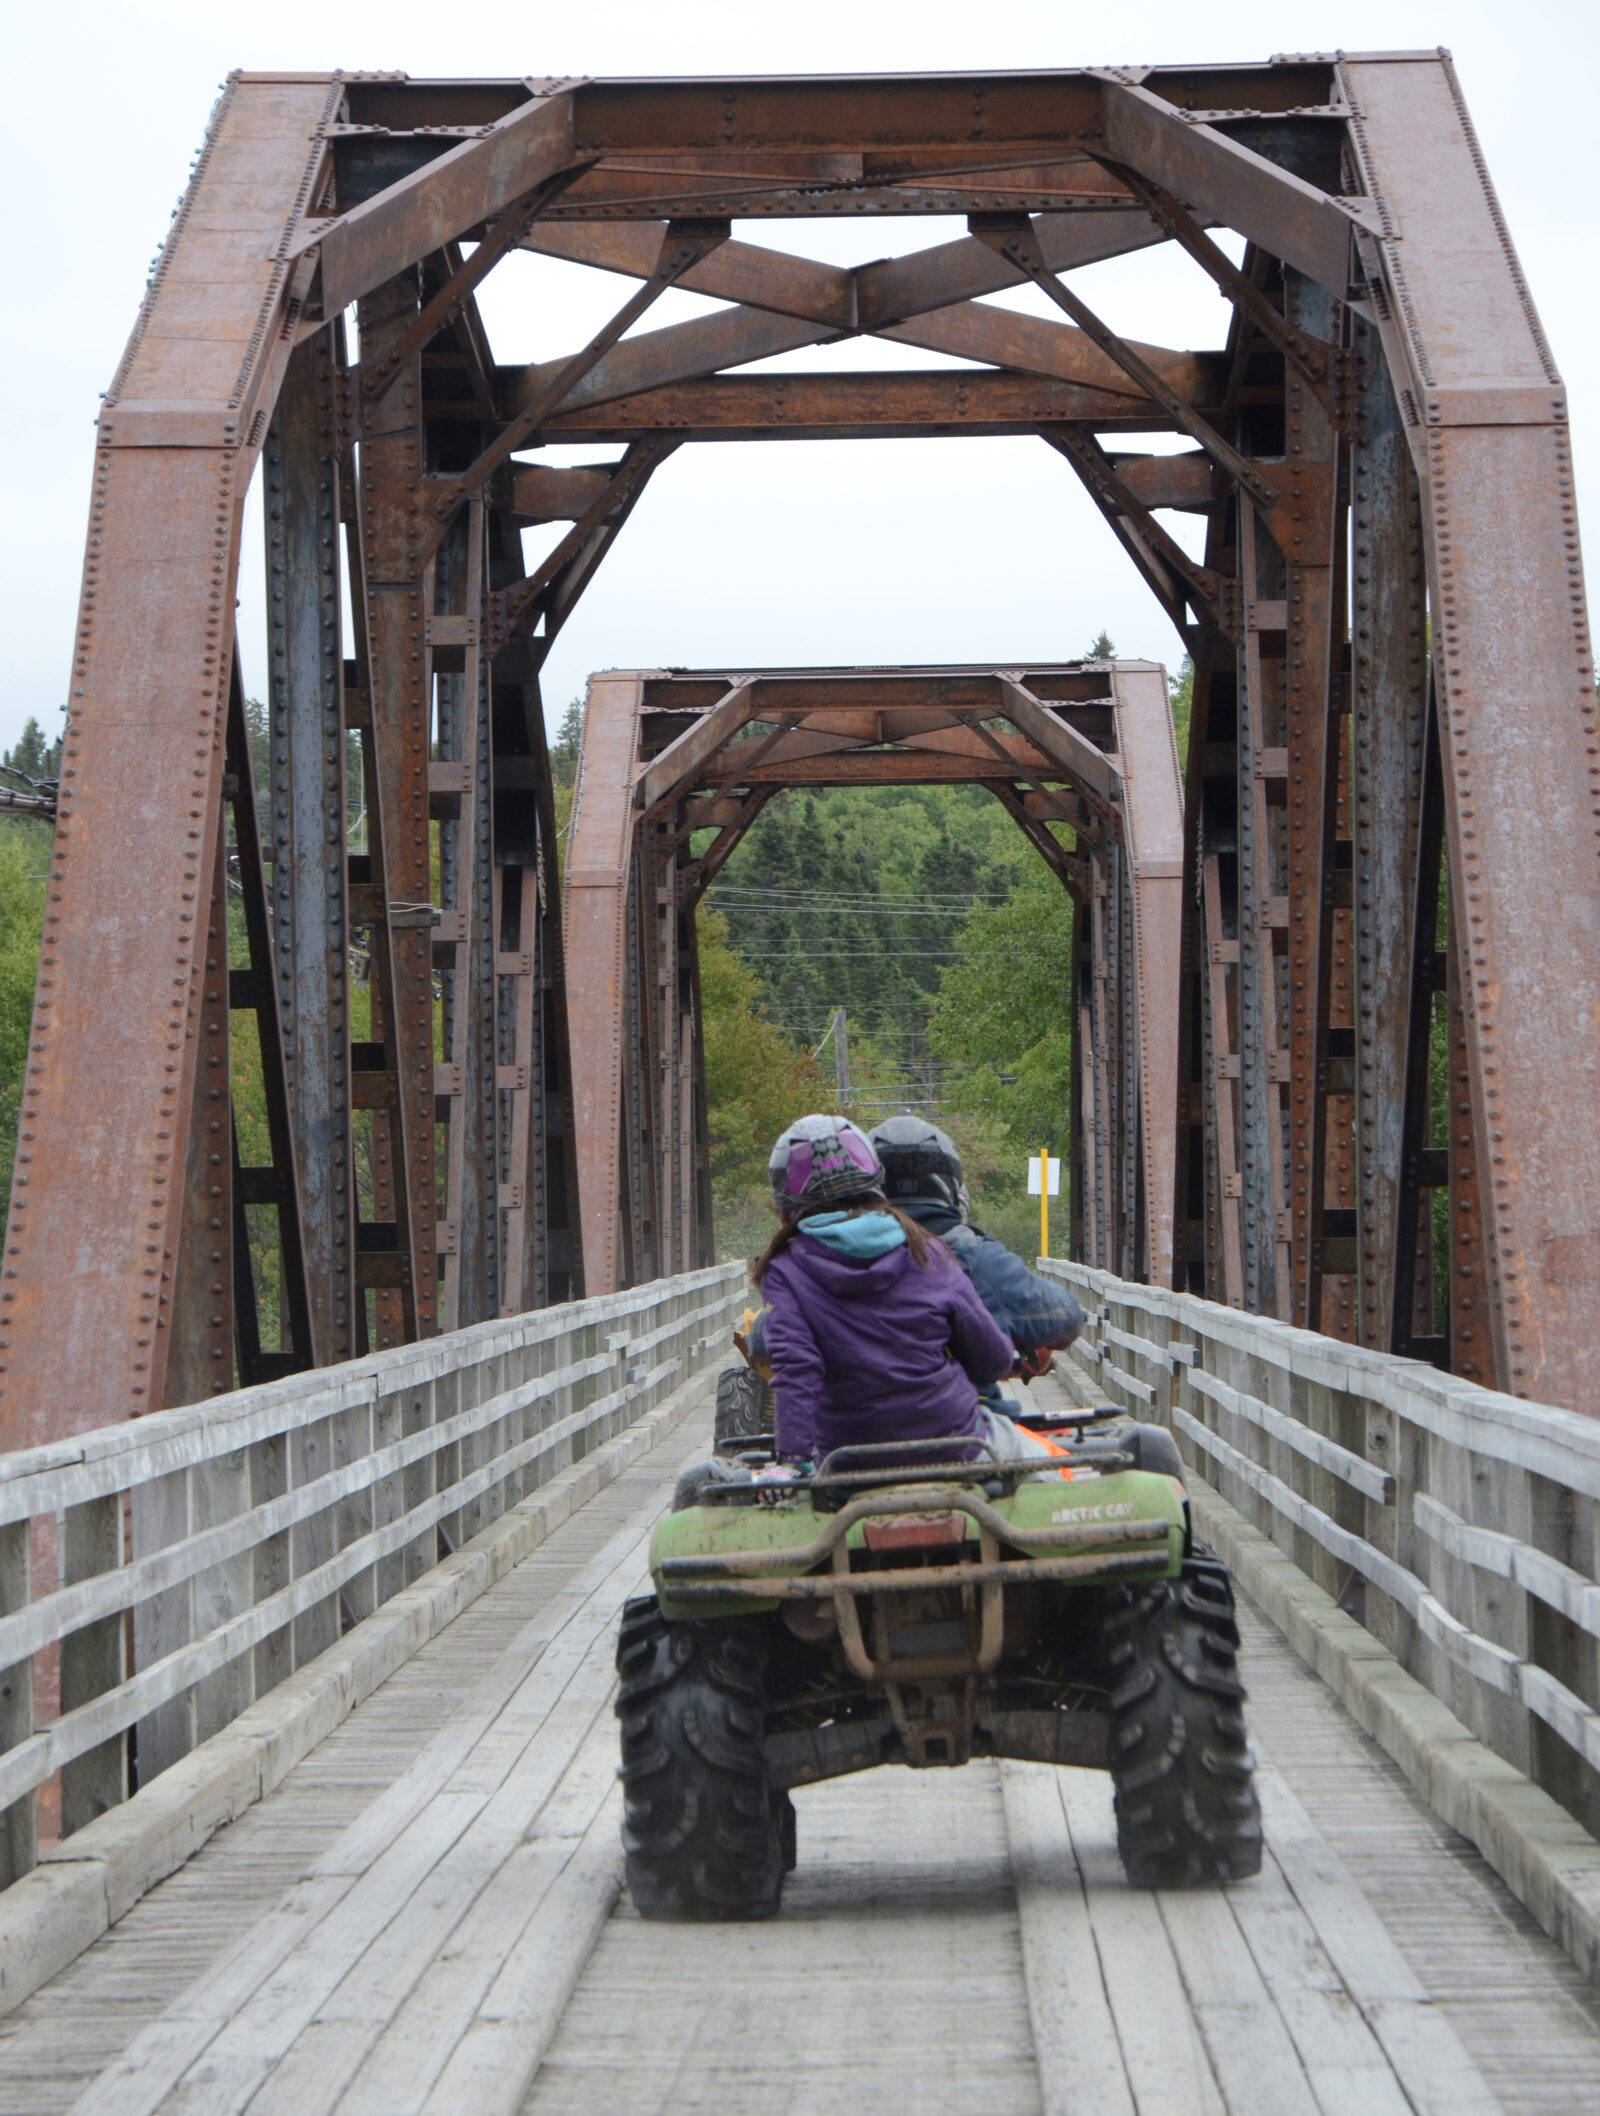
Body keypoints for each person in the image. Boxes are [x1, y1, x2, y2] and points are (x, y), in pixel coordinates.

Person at [754, 1114, 1054, 1468]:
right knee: (1051, 1467)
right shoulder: (926, 1248)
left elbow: (796, 1371)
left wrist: (793, 1461)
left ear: (782, 1206)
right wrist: (1007, 1358)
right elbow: (991, 1359)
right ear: (877, 1182)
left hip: (847, 1459)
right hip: (955, 1443)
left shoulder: (784, 1270)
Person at [867, 1115, 1084, 1407]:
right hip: (963, 1432)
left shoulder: (826, 1259)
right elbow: (1064, 1318)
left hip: (845, 1440)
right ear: (948, 1182)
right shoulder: (967, 1254)